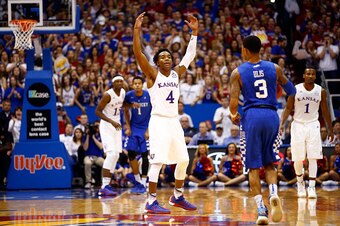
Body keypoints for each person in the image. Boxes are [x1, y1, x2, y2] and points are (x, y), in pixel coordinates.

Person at [133, 12, 197, 214]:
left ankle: (177, 196)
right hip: (159, 122)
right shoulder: (152, 74)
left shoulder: (177, 74)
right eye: (162, 57)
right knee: (157, 161)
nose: (167, 59)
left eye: (169, 56)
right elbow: (138, 54)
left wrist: (194, 33)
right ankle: (151, 201)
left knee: (184, 159)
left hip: (174, 122)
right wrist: (136, 31)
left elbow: (189, 55)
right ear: (157, 62)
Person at [229, 35, 296, 224]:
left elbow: (233, 105)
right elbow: (291, 91)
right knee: (269, 163)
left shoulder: (238, 72)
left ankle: (260, 209)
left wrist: (233, 115)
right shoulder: (275, 68)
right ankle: (273, 192)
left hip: (252, 117)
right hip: (272, 116)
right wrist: (284, 115)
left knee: (252, 167)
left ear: (245, 50)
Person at [279, 66, 334, 199]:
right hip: (297, 125)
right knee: (298, 158)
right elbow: (288, 108)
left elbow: (325, 110)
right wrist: (281, 124)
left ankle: (312, 187)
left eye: (312, 74)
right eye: (308, 73)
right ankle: (300, 184)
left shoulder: (320, 91)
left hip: (313, 125)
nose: (310, 76)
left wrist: (330, 128)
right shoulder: (295, 89)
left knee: (313, 157)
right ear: (304, 76)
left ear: (315, 77)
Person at [95, 75, 137, 196]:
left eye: (121, 81)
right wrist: (112, 121)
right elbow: (97, 111)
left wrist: (132, 105)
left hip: (117, 125)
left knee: (116, 155)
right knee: (111, 154)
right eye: (117, 81)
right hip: (107, 125)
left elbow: (122, 105)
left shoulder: (123, 92)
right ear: (113, 84)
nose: (119, 83)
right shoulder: (107, 95)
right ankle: (103, 186)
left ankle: (107, 185)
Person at [123, 76, 152, 194]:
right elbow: (125, 109)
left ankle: (144, 182)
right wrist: (128, 127)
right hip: (134, 128)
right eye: (135, 83)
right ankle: (138, 180)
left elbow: (153, 112)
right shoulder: (129, 95)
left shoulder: (148, 95)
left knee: (146, 155)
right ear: (132, 85)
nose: (137, 85)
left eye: (139, 83)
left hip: (145, 128)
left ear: (142, 84)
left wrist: (149, 130)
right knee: (131, 153)